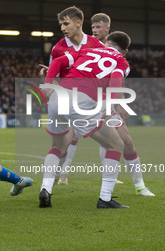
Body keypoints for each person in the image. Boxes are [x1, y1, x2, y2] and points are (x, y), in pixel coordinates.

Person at [56, 13, 155, 196]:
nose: (94, 31)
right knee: (68, 140)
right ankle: (56, 177)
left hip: (103, 102)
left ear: (107, 30)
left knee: (125, 141)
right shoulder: (89, 46)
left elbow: (118, 78)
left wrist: (120, 104)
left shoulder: (111, 49)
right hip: (84, 101)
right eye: (93, 27)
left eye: (98, 28)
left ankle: (140, 186)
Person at [39, 31, 132, 209]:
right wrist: (114, 104)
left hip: (57, 97)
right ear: (125, 51)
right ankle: (105, 199)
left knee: (57, 147)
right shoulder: (121, 61)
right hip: (80, 100)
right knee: (116, 144)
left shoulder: (88, 51)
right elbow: (116, 79)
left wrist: (49, 83)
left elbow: (57, 61)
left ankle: (46, 189)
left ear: (107, 43)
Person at [39, 6, 104, 186]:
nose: (62, 28)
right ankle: (59, 173)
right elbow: (54, 72)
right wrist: (50, 84)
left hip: (87, 98)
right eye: (60, 24)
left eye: (66, 23)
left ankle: (61, 176)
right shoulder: (57, 49)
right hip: (64, 97)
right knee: (64, 142)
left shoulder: (96, 45)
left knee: (111, 140)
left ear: (78, 23)